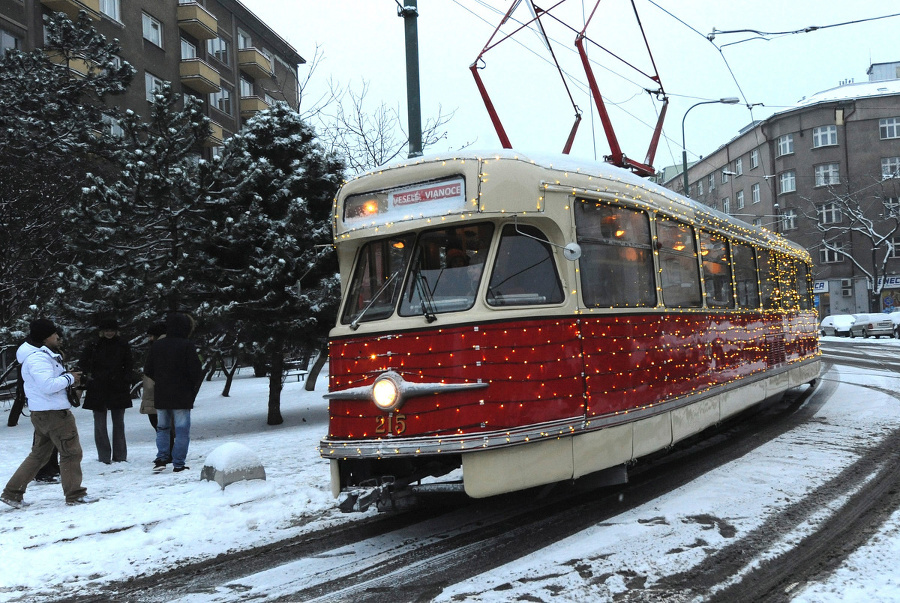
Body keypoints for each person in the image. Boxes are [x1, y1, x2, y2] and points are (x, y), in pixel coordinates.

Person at [1, 319, 97, 507]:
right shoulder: (38, 358)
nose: (58, 337)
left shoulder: (37, 355)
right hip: (54, 413)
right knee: (71, 453)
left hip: (42, 413)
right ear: (45, 337)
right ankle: (75, 494)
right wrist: (70, 378)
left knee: (38, 456)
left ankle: (12, 493)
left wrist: (66, 377)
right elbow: (47, 386)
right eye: (54, 334)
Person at [144, 313, 202, 473]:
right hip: (182, 394)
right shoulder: (187, 345)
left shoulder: (157, 345)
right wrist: (188, 385)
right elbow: (196, 370)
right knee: (182, 430)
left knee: (162, 428)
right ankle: (178, 463)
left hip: (162, 393)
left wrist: (162, 380)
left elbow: (148, 369)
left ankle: (162, 458)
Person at [79, 318, 134, 464]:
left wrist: (126, 378)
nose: (109, 333)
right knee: (99, 425)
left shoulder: (123, 344)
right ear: (101, 331)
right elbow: (82, 363)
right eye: (107, 330)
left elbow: (129, 364)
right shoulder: (93, 345)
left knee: (119, 423)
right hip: (98, 387)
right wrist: (89, 378)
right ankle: (104, 456)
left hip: (118, 387)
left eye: (112, 330)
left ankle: (120, 456)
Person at [139, 322, 166, 430]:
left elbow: (150, 371)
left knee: (160, 427)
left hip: (155, 395)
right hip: (167, 396)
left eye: (151, 336)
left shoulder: (156, 348)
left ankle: (167, 447)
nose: (149, 339)